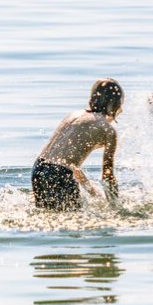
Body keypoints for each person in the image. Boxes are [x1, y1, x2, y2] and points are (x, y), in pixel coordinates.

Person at [32, 78, 123, 210]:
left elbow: (69, 164)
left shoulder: (74, 115)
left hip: (39, 168)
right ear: (117, 106)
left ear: (91, 100)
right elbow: (108, 176)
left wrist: (93, 192)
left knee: (49, 215)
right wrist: (115, 207)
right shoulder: (108, 130)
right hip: (59, 174)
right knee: (70, 222)